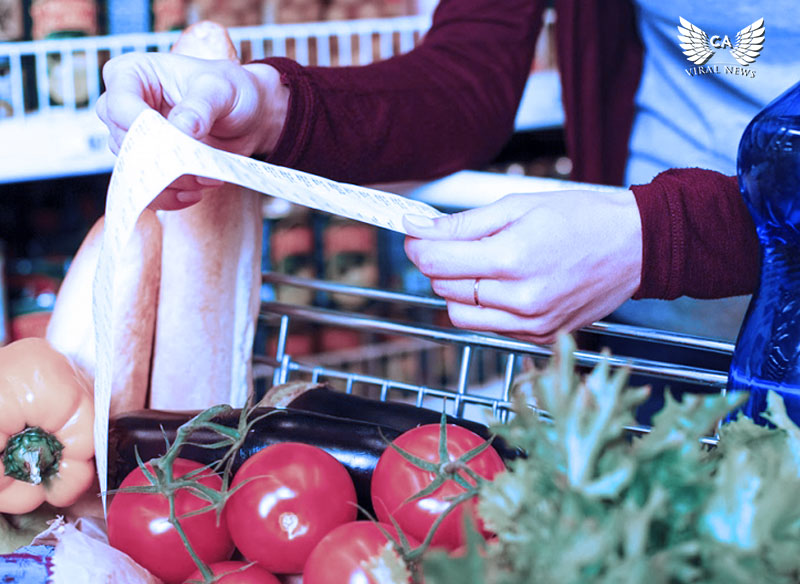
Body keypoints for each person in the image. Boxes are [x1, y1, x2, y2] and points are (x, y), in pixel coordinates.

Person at [96, 0, 796, 344]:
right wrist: (274, 106)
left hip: (653, 252)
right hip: (648, 308)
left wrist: (664, 237)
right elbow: (469, 77)